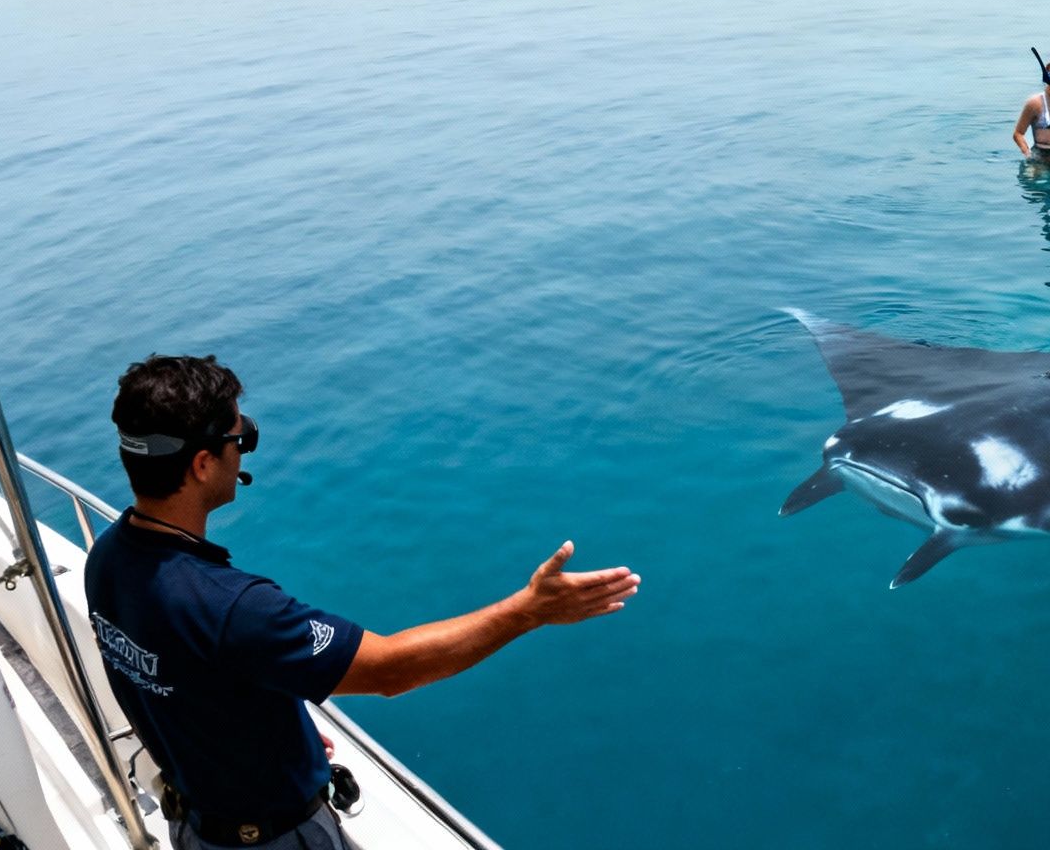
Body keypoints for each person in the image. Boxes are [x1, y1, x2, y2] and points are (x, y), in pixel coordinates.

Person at [89, 355, 641, 850]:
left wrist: (272, 730)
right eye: (241, 439)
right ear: (203, 464)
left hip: (193, 825)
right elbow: (391, 669)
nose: (245, 450)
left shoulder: (107, 561)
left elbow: (178, 679)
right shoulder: (234, 607)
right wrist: (530, 610)